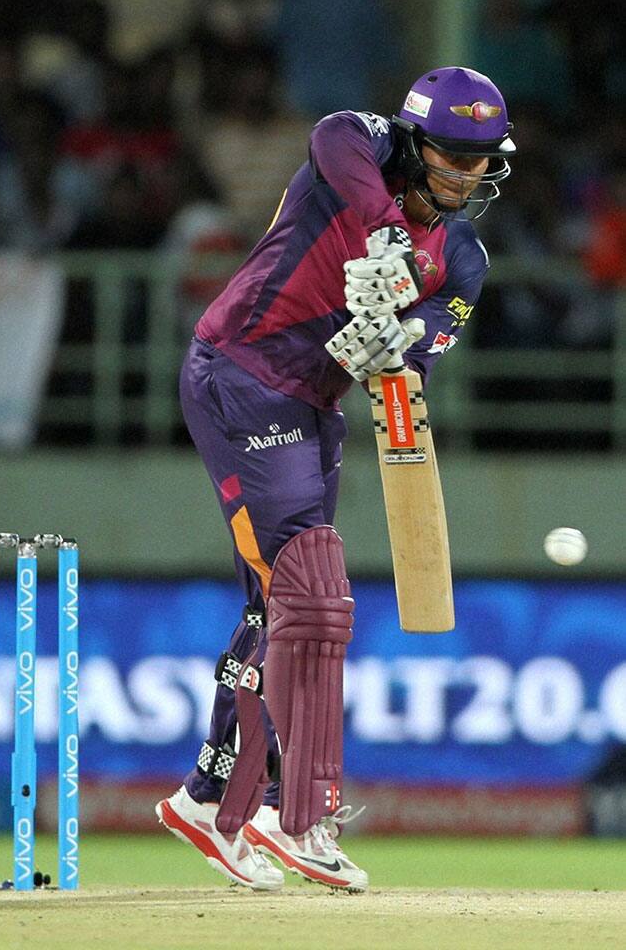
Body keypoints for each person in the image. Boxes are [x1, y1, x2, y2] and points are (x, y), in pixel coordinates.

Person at [156, 66, 515, 892]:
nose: (465, 175)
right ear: (416, 143)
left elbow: (425, 346)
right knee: (311, 592)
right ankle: (297, 814)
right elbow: (331, 133)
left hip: (316, 403)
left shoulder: (461, 256)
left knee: (278, 603)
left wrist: (396, 351)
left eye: (479, 160)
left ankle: (210, 798)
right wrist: (385, 229)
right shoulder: (358, 149)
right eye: (451, 156)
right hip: (242, 372)